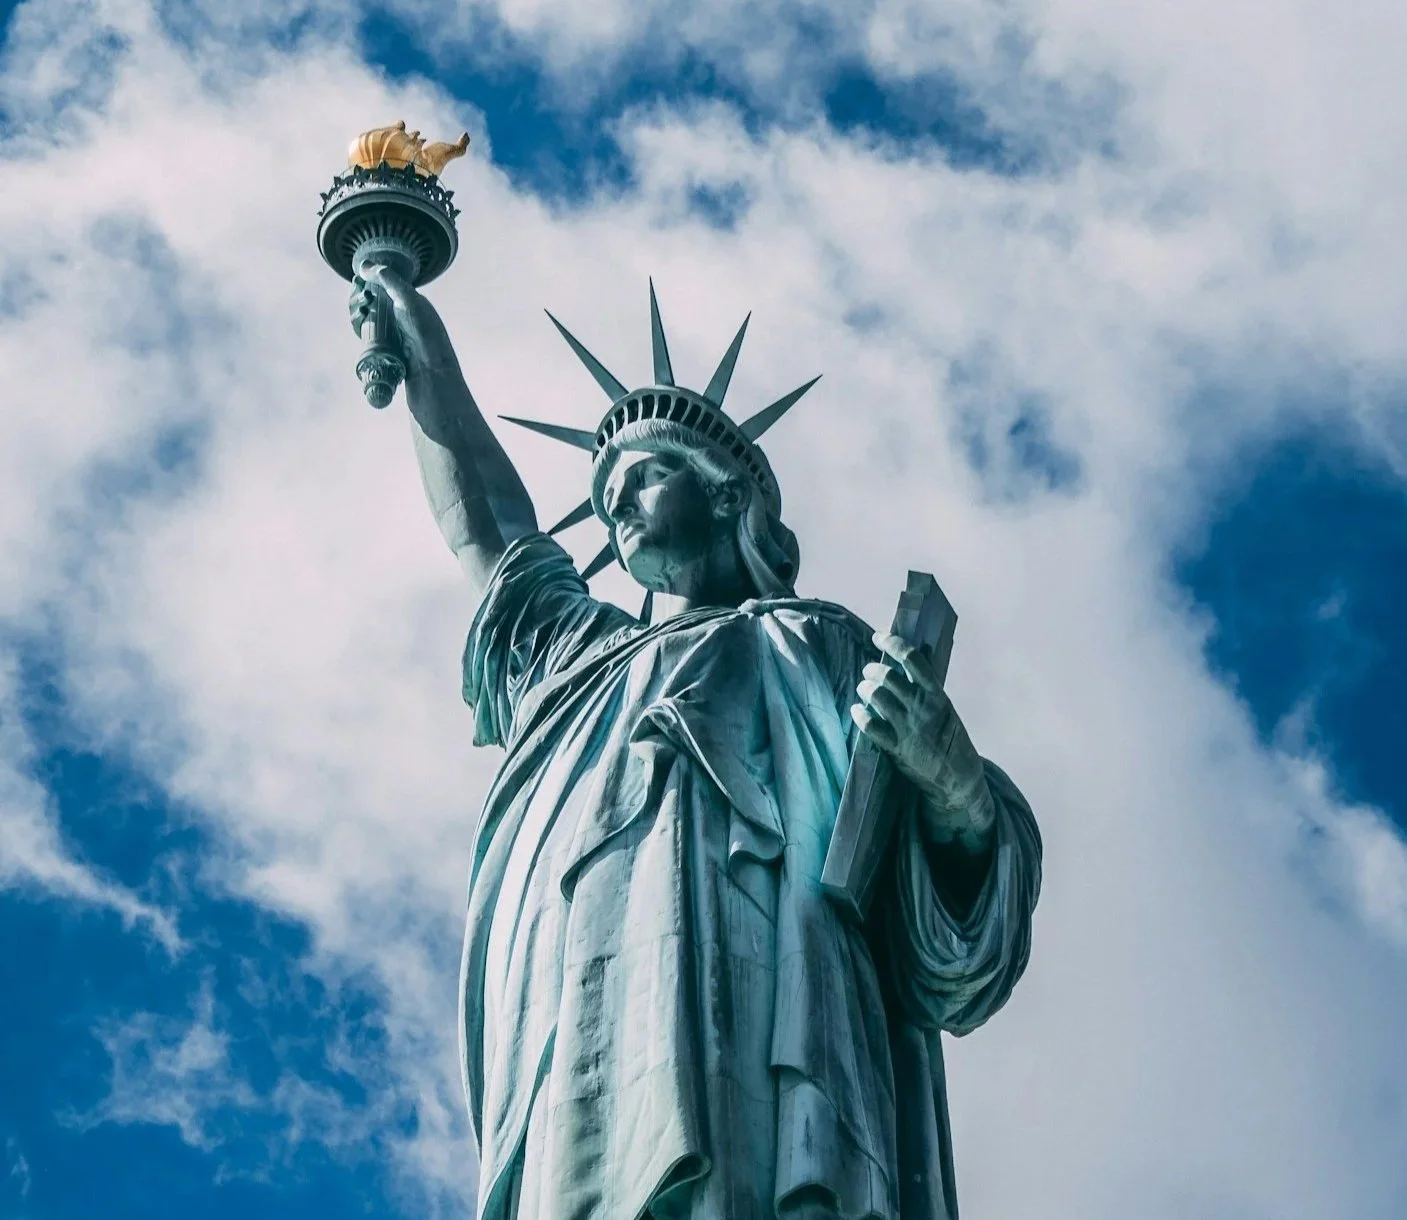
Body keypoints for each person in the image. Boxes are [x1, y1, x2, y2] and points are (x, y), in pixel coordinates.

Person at [350, 269, 1043, 1220]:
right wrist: (424, 349)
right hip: (591, 1009)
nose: (618, 506)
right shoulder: (577, 659)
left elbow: (953, 927)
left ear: (726, 499)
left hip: (780, 1015)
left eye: (645, 474)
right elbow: (493, 536)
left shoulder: (815, 646)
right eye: (605, 494)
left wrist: (951, 779)